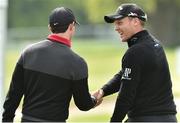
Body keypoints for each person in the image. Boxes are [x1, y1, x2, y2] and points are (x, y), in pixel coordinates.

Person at [2, 7, 98, 122]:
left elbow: (13, 96)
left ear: (50, 27)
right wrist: (94, 100)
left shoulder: (28, 53)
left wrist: (6, 120)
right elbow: (83, 104)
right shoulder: (78, 63)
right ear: (72, 26)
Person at [93, 3, 177, 122]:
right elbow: (126, 73)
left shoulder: (135, 52)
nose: (116, 28)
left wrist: (114, 121)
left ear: (135, 22)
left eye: (120, 23)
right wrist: (103, 90)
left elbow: (125, 96)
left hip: (145, 119)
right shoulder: (155, 45)